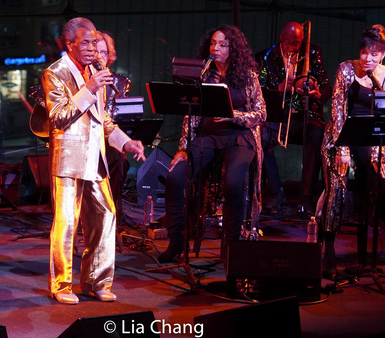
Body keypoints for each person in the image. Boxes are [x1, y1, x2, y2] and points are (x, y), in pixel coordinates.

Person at [41, 17, 145, 304]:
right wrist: (88, 88)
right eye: (85, 43)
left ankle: (96, 282)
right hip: (69, 159)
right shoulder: (55, 73)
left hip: (95, 158)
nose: (91, 49)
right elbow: (59, 118)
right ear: (69, 44)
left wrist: (126, 142)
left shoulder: (96, 71)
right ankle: (61, 286)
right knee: (67, 225)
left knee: (105, 216)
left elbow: (105, 121)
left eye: (94, 43)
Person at [158, 24, 266, 263]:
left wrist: (233, 116)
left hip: (239, 136)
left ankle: (231, 248)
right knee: (175, 177)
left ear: (233, 49)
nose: (216, 48)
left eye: (223, 45)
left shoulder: (247, 75)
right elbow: (191, 113)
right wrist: (183, 148)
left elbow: (261, 113)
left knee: (233, 183)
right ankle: (176, 242)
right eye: (213, 43)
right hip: (209, 135)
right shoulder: (203, 73)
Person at [320, 24, 385, 280]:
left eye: (374, 53)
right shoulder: (346, 69)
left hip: (372, 139)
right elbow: (337, 110)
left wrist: (381, 154)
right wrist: (342, 149)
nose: (367, 59)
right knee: (337, 185)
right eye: (364, 52)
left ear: (383, 53)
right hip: (340, 138)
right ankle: (329, 250)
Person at [255, 22, 331, 216]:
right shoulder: (267, 56)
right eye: (288, 43)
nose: (291, 47)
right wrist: (280, 88)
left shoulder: (312, 53)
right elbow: (259, 90)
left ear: (302, 41)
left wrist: (316, 91)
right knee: (260, 139)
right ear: (281, 38)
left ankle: (306, 200)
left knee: (315, 136)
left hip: (305, 113)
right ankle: (276, 194)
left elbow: (325, 85)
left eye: (296, 44)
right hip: (279, 114)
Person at [96, 31, 132, 227]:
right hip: (86, 140)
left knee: (119, 160)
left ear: (110, 56)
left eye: (104, 52)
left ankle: (112, 214)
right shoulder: (82, 79)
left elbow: (123, 115)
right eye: (96, 52)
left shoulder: (120, 82)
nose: (99, 57)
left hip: (109, 138)